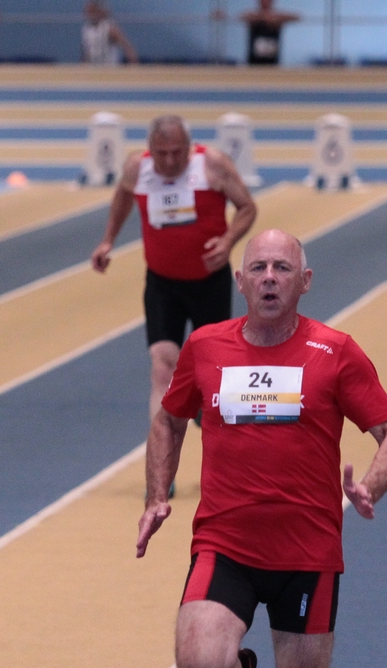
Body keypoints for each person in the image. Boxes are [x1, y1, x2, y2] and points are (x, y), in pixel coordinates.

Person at [136, 229, 387, 668]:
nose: (268, 277)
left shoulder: (335, 352)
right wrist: (157, 494)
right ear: (240, 282)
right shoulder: (207, 348)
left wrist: (370, 488)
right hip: (226, 543)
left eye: (281, 268)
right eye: (257, 267)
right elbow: (170, 418)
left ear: (304, 282)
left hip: (307, 555)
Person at [90, 115, 257, 434]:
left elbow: (247, 207)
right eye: (161, 153)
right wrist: (108, 240)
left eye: (177, 152)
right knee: (162, 365)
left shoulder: (212, 164)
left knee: (211, 373)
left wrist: (227, 241)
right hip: (162, 284)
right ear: (149, 149)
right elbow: (123, 195)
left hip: (209, 283)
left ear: (189, 146)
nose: (169, 161)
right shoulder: (137, 167)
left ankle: (208, 418)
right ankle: (162, 455)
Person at [241, 0, 299, 66]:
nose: (266, 2)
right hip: (254, 62)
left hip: (272, 62)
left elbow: (296, 17)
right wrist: (263, 18)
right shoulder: (253, 17)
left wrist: (275, 18)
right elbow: (242, 17)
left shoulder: (277, 18)